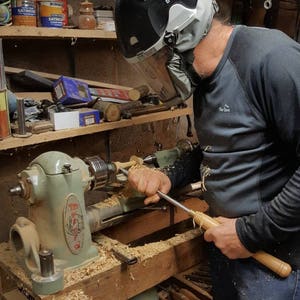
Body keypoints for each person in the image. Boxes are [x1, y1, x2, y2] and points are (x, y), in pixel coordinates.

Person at [114, 0, 300, 299]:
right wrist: (169, 176)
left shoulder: (271, 58)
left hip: (273, 262)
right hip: (227, 245)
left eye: (157, 60)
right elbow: (224, 146)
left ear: (180, 38)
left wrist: (249, 235)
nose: (157, 73)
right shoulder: (203, 78)